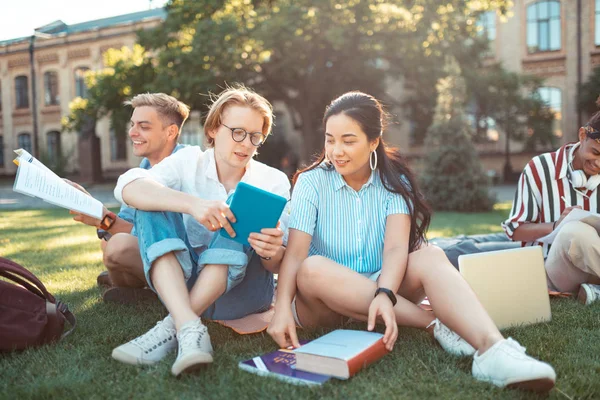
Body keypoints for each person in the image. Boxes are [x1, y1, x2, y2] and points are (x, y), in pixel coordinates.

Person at [267, 91, 556, 392]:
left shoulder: (394, 181)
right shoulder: (311, 183)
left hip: (385, 288)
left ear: (373, 141)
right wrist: (281, 310)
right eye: (330, 139)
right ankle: (433, 324)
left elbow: (395, 248)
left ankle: (494, 350)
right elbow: (297, 254)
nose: (336, 151)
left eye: (348, 140)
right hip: (324, 302)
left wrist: (384, 292)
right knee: (312, 268)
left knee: (430, 254)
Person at [111, 86, 291, 376]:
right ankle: (190, 327)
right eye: (237, 132)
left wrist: (272, 251)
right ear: (214, 129)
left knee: (239, 207)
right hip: (186, 284)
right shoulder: (188, 161)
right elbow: (128, 186)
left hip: (242, 296)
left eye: (255, 137)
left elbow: (279, 262)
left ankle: (173, 325)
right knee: (151, 201)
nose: (246, 144)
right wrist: (193, 205)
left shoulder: (273, 180)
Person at [66, 93, 189, 303]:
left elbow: (159, 237)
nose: (132, 132)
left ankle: (149, 290)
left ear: (170, 132)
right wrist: (97, 212)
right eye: (132, 124)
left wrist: (104, 220)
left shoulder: (187, 166)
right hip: (157, 253)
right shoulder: (145, 168)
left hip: (185, 264)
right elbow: (131, 226)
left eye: (144, 126)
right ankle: (135, 287)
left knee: (118, 247)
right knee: (110, 244)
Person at [502, 104, 600, 305]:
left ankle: (594, 291)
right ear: (582, 135)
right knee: (574, 232)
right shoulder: (539, 168)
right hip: (551, 269)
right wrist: (556, 225)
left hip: (592, 267)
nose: (598, 163)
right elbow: (515, 230)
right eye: (596, 152)